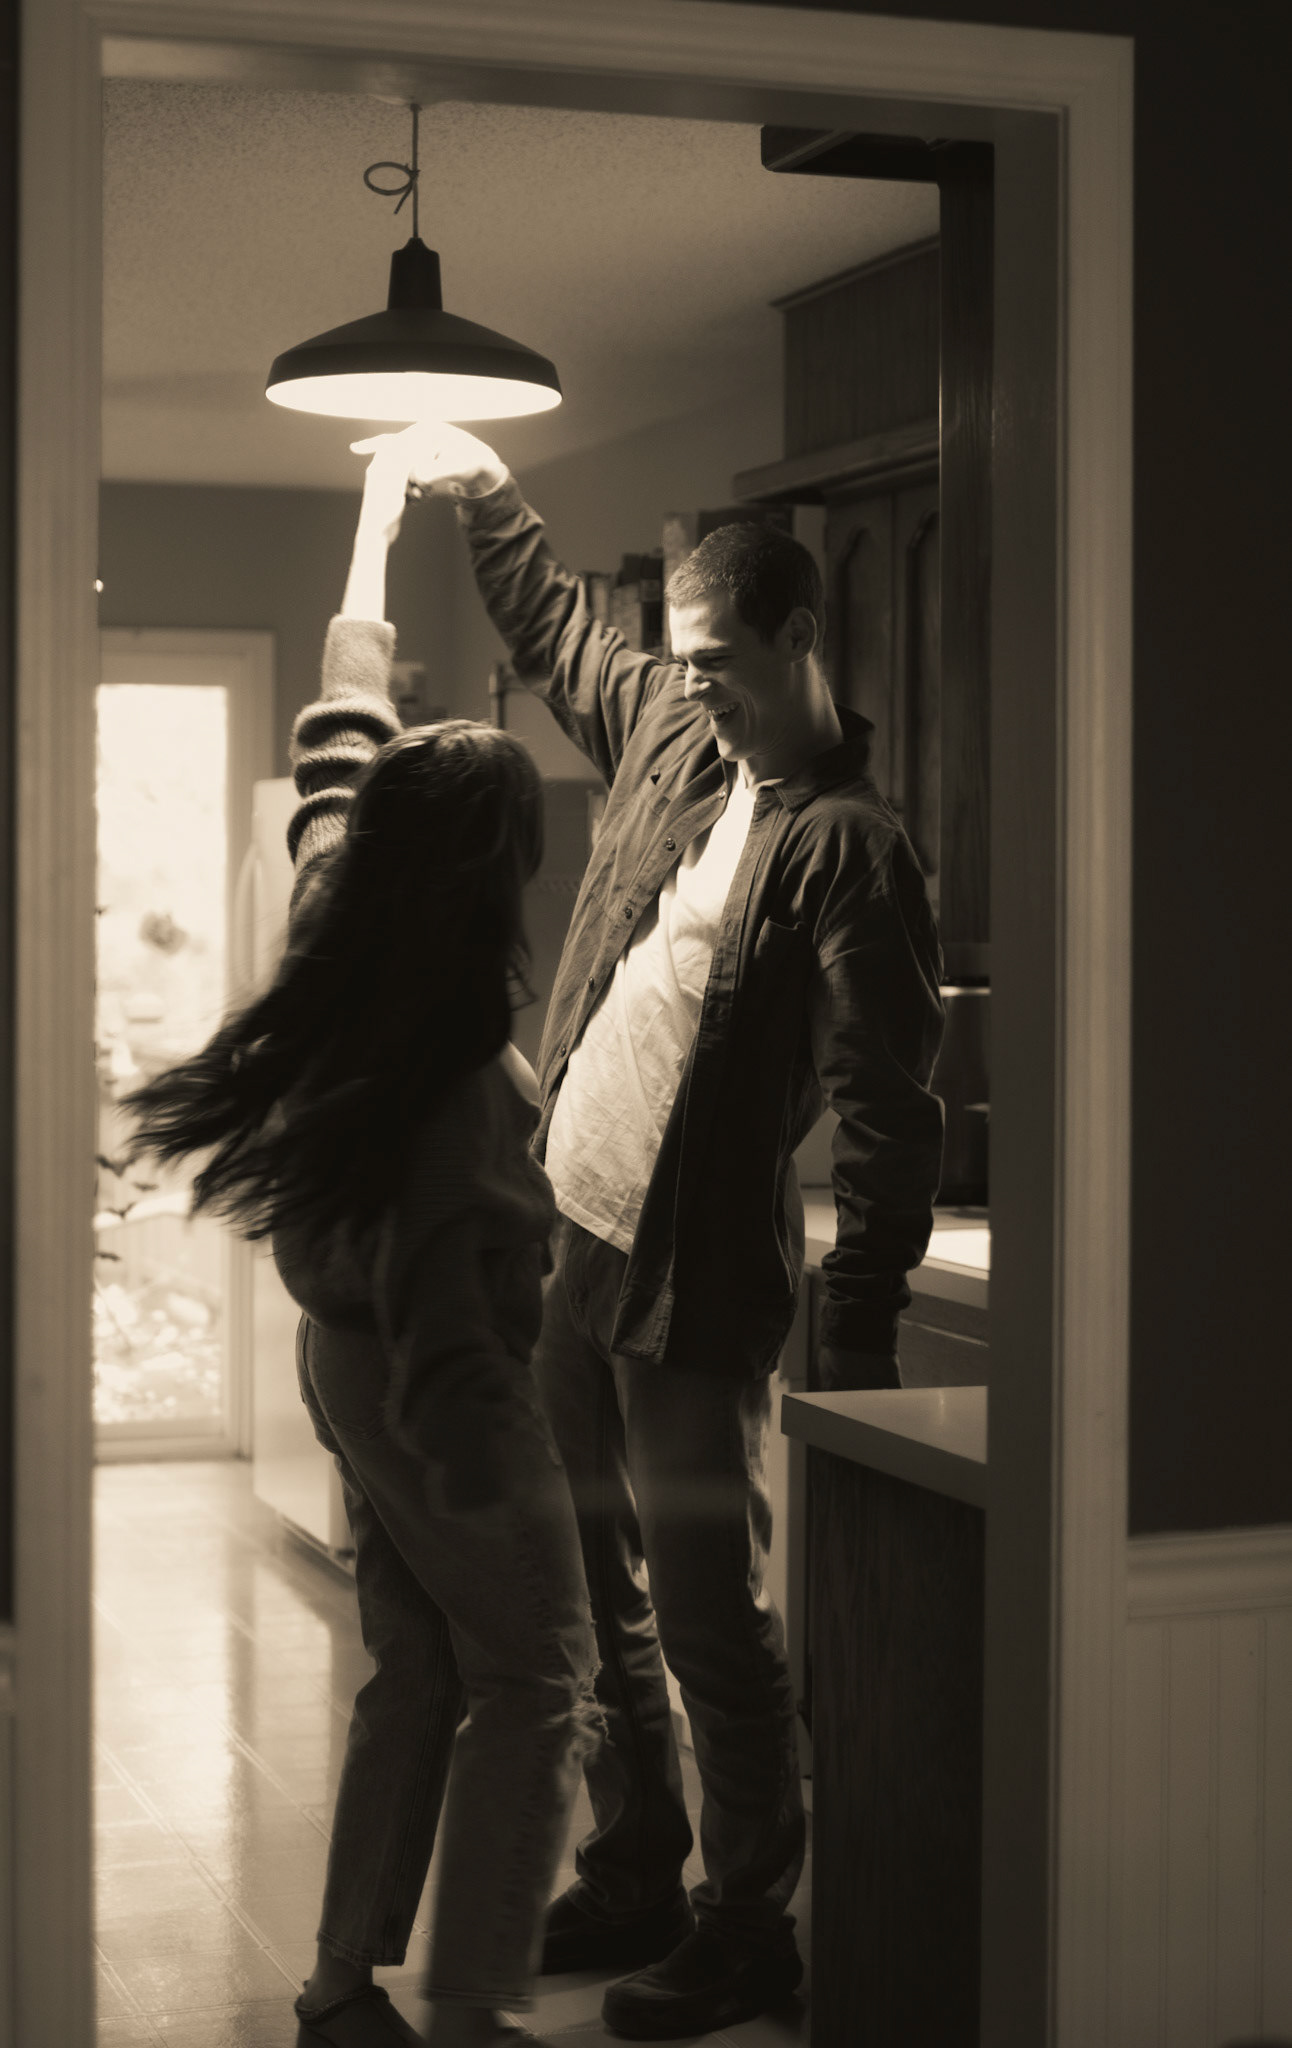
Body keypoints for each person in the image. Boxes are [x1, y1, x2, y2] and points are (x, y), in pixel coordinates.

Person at [366, 420, 947, 2042]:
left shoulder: (851, 847)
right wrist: (484, 482)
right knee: (586, 1591)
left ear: (798, 636)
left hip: (696, 1286)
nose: (695, 689)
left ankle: (749, 1923)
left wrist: (862, 1326)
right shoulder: (674, 739)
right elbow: (559, 625)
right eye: (680, 664)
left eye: (720, 664)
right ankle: (635, 1870)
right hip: (571, 1246)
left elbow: (891, 1103)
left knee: (707, 1619)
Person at [124, 438, 599, 2048]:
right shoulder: (451, 1062)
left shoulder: (340, 906)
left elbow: (338, 733)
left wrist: (376, 526)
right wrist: (500, 1461)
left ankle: (341, 1989)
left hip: (346, 1371)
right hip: (432, 1385)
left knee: (420, 1671)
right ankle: (468, 2012)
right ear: (493, 874)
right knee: (540, 1674)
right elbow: (455, 1304)